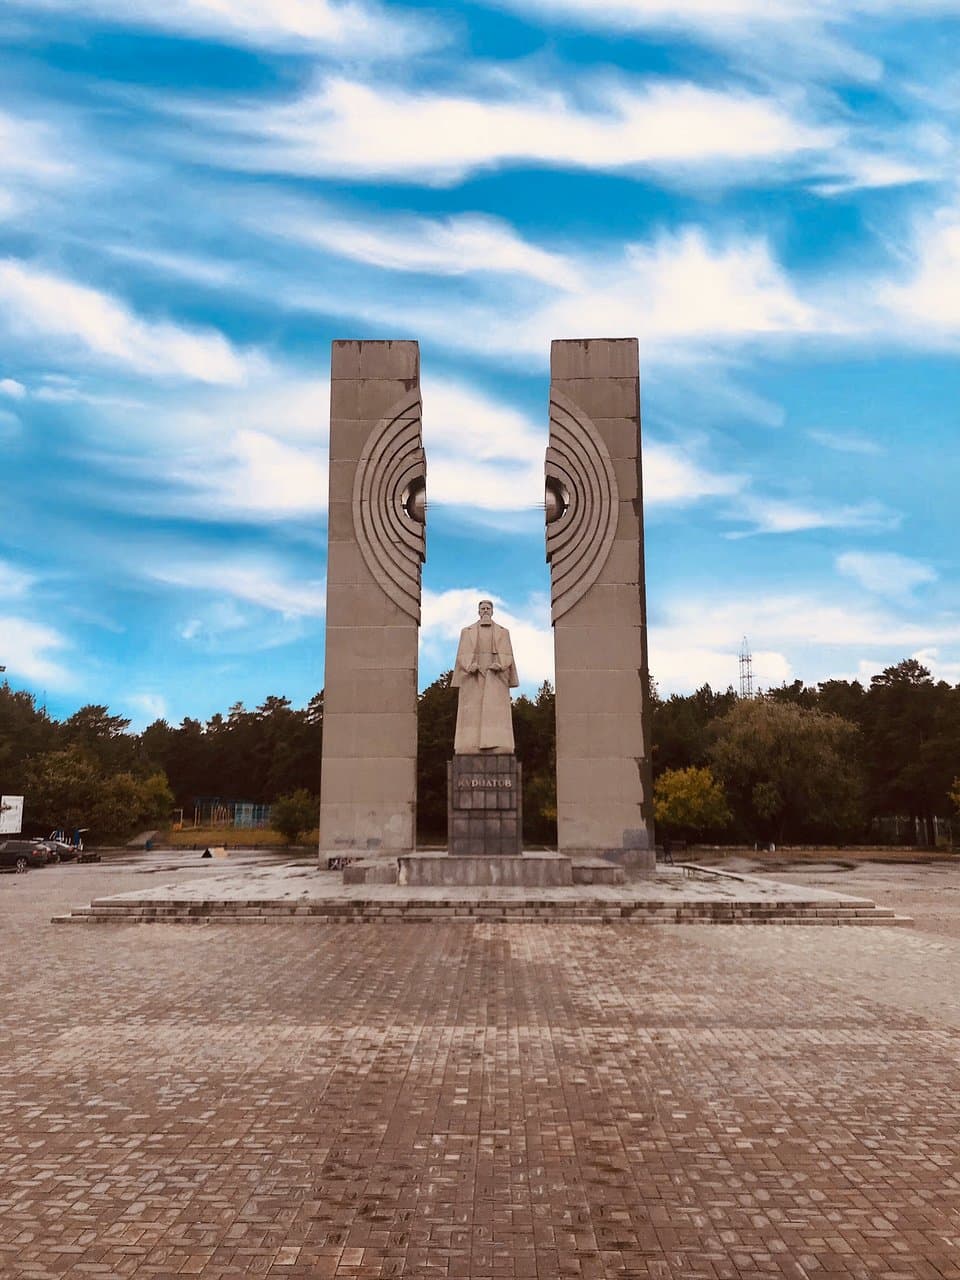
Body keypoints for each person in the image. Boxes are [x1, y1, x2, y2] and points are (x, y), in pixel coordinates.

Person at [451, 599, 519, 753]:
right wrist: (469, 666)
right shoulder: (466, 631)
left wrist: (500, 665)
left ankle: (498, 745)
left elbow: (508, 654)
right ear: (478, 612)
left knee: (495, 714)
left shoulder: (503, 632)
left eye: (488, 608)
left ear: (492, 611)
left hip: (495, 676)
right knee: (472, 714)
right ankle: (469, 746)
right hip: (473, 676)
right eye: (483, 608)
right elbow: (461, 654)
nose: (486, 611)